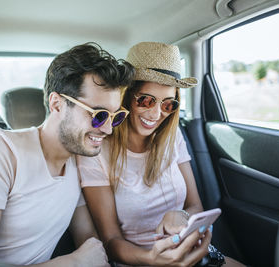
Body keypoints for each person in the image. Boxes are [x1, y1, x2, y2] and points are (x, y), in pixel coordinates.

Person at [0, 43, 135, 267]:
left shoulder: (78, 159)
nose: (108, 129)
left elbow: (89, 243)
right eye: (99, 115)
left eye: (116, 116)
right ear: (56, 104)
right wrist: (72, 263)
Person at [77, 42, 244, 266]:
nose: (156, 114)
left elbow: (195, 206)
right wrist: (153, 258)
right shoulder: (96, 151)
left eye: (168, 105)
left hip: (191, 256)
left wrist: (181, 216)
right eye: (146, 100)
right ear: (127, 97)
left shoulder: (172, 137)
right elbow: (111, 241)